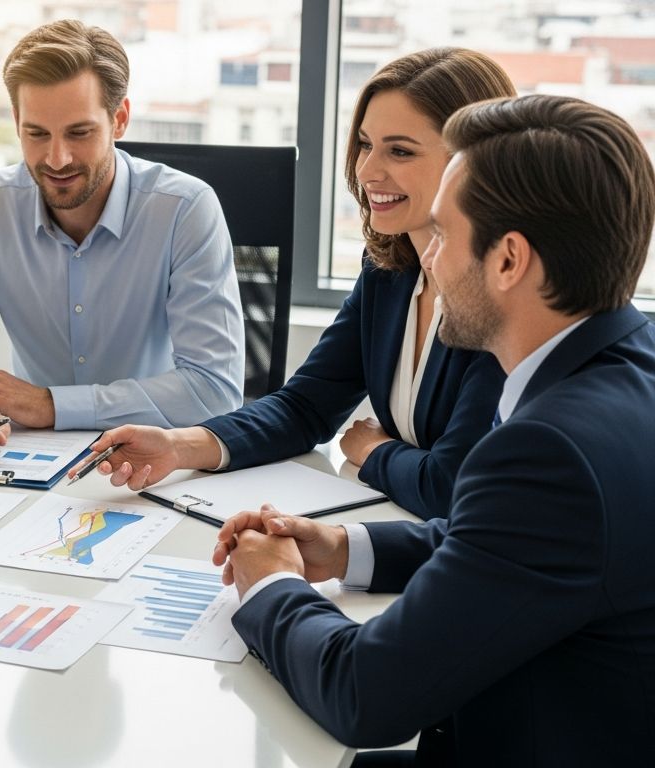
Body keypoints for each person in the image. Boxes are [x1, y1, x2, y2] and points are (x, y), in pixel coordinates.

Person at [215, 94, 655, 764]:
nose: (430, 261)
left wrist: (273, 583)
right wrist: (341, 547)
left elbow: (364, 694)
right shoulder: (624, 366)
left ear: (509, 260)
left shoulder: (551, 453)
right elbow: (508, 545)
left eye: (443, 236)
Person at [81, 49, 512, 520]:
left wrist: (374, 450)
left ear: (469, 162)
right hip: (395, 530)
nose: (367, 171)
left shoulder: (502, 291)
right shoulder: (388, 272)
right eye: (365, 144)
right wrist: (179, 446)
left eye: (401, 150)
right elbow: (305, 407)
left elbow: (452, 485)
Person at [0, 19, 245, 458]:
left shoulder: (185, 210)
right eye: (37, 133)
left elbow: (214, 389)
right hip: (25, 461)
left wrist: (50, 405)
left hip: (153, 461)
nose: (57, 158)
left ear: (119, 119)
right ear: (16, 122)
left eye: (79, 132)